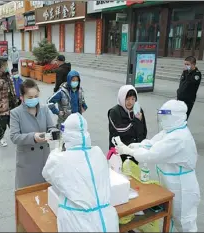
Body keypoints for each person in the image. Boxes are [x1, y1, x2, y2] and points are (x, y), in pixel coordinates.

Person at [115, 99, 200, 232]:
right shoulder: (170, 131)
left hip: (183, 189)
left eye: (165, 117)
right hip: (173, 185)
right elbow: (152, 143)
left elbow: (152, 154)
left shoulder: (179, 138)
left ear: (174, 117)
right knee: (172, 219)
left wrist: (129, 151)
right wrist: (136, 145)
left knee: (185, 223)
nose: (162, 120)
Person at [42, 113, 119, 232]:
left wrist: (56, 149)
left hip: (78, 222)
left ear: (66, 135)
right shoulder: (97, 152)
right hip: (107, 221)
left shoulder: (60, 159)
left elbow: (47, 173)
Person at [10, 79, 57, 189]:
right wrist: (33, 137)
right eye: (30, 98)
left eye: (36, 96)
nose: (34, 100)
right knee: (28, 195)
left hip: (44, 158)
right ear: (22, 97)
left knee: (44, 191)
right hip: (27, 161)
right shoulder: (15, 113)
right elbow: (14, 137)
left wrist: (53, 132)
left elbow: (51, 127)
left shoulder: (44, 109)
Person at [108, 85, 147, 164]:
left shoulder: (137, 110)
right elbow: (120, 130)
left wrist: (141, 145)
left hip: (134, 152)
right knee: (119, 175)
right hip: (119, 153)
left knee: (133, 174)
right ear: (122, 98)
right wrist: (135, 121)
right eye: (127, 99)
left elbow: (143, 129)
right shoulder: (114, 112)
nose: (130, 102)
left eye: (133, 99)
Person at [176, 56, 202, 120]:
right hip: (180, 97)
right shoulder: (185, 72)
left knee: (184, 118)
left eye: (187, 64)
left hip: (188, 100)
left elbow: (189, 83)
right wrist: (178, 91)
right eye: (185, 64)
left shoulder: (197, 74)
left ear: (193, 64)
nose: (186, 66)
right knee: (177, 116)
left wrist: (187, 73)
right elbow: (182, 83)